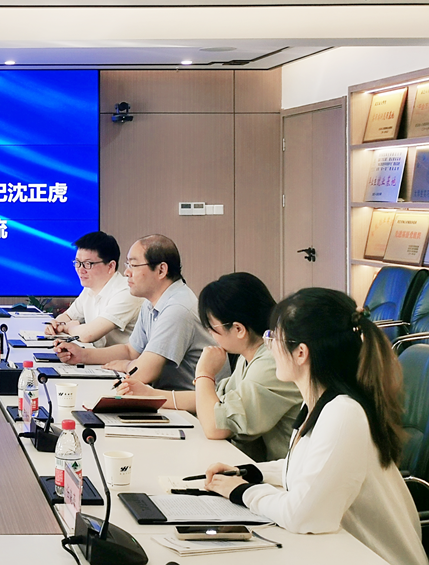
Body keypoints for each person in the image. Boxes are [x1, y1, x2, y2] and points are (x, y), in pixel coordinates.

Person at [203, 288, 427, 565]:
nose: (268, 346)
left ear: (301, 353)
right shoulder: (322, 402)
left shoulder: (343, 413)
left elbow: (303, 515)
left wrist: (241, 491)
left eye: (273, 337)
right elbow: (309, 467)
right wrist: (250, 473)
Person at [115, 272, 301, 461]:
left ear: (238, 329)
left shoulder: (271, 363)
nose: (211, 336)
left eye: (212, 328)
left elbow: (216, 426)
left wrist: (204, 373)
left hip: (281, 472)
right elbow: (217, 400)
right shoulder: (251, 355)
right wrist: (151, 395)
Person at [54, 234, 227, 390]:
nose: (127, 272)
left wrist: (126, 365)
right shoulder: (152, 302)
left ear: (161, 270)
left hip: (195, 405)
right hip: (168, 394)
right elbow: (130, 351)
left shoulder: (177, 308)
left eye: (134, 265)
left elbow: (144, 372)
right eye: (128, 265)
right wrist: (82, 355)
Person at [44, 231, 142, 347]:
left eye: (88, 263)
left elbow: (88, 334)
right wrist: (55, 324)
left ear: (110, 266)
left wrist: (67, 327)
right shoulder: (90, 289)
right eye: (78, 263)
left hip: (121, 357)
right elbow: (68, 316)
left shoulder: (127, 292)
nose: (80, 269)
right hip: (96, 355)